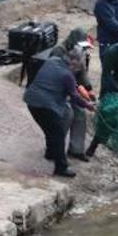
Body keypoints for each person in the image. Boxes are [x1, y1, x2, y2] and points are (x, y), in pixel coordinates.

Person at [24, 46, 95, 178]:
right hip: (45, 105)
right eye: (79, 64)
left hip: (31, 101)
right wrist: (88, 105)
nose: (79, 68)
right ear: (73, 62)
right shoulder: (67, 75)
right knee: (57, 133)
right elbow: (74, 96)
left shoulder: (53, 60)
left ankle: (51, 153)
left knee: (50, 130)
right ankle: (61, 167)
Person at [51, 28, 96, 162]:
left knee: (80, 114)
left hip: (72, 88)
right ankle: (55, 149)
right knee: (67, 116)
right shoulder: (58, 52)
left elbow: (81, 71)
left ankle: (76, 149)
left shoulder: (79, 51)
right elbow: (59, 74)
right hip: (58, 89)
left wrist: (88, 88)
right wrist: (77, 89)